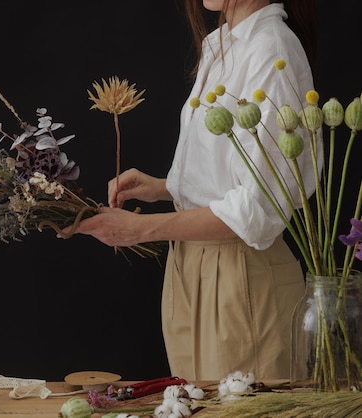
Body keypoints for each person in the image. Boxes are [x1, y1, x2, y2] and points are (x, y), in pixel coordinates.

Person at [66, 0, 319, 380]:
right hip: (190, 267)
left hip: (242, 277)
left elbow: (258, 207)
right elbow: (237, 175)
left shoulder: (270, 50)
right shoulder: (223, 44)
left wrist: (142, 229)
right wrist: (168, 187)